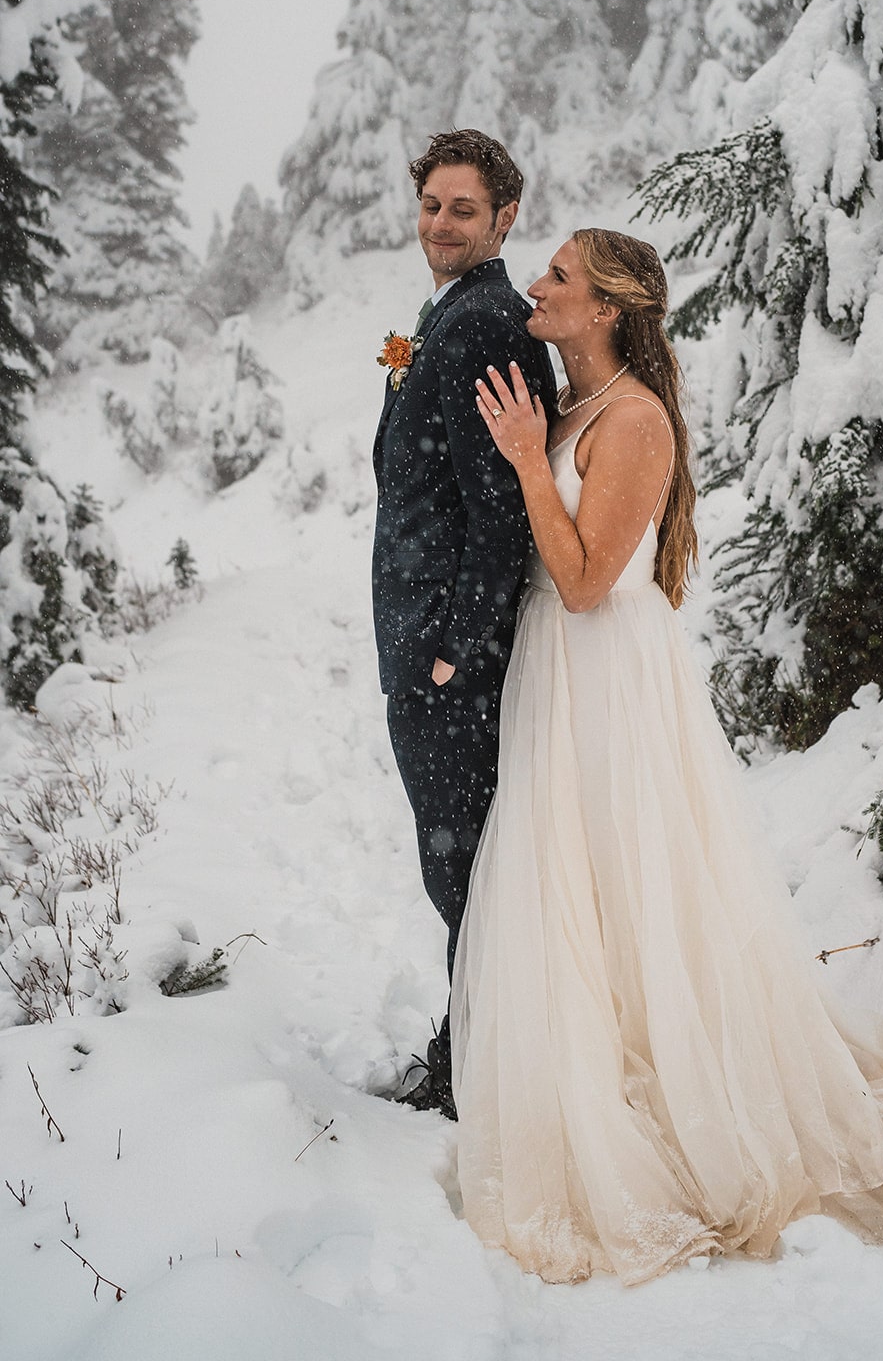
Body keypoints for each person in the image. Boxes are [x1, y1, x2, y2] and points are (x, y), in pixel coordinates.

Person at [452, 228, 883, 1285]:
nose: (538, 283)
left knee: (632, 874)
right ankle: (595, 1060)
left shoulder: (634, 420)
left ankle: (692, 1093)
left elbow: (580, 582)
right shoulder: (569, 406)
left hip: (601, 673)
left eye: (559, 274)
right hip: (553, 677)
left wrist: (527, 462)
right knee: (574, 884)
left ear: (607, 307)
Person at [371, 130, 556, 1119]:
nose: (439, 224)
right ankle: (476, 1047)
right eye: (430, 205)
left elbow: (504, 508)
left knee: (466, 869)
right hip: (422, 637)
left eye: (461, 210)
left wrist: (455, 651)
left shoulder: (486, 323)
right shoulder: (453, 311)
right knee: (462, 864)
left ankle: (475, 1071)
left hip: (449, 657)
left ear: (504, 218)